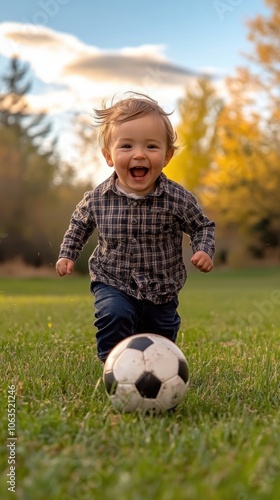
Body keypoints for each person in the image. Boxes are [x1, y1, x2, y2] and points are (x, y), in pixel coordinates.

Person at [56, 92, 215, 362]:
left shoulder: (176, 198)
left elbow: (203, 226)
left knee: (160, 340)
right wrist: (67, 253)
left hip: (162, 287)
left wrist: (203, 249)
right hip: (112, 279)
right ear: (109, 156)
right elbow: (79, 225)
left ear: (167, 156)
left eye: (151, 147)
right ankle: (113, 366)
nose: (139, 154)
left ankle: (158, 369)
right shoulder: (97, 198)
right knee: (114, 315)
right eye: (126, 146)